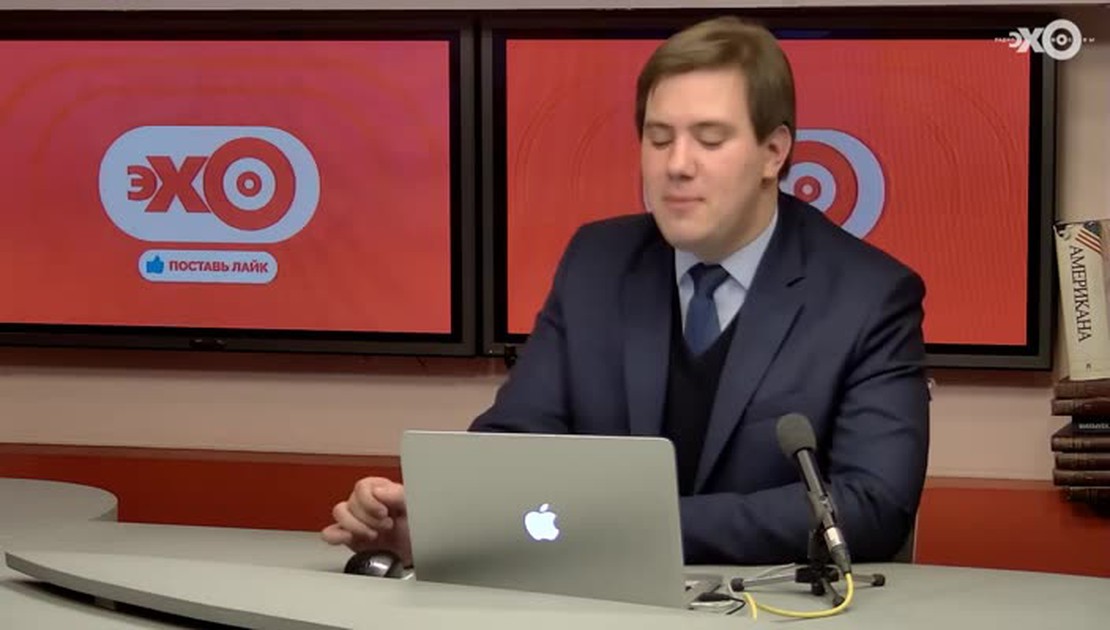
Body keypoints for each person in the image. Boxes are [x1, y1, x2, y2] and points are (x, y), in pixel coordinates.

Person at [322, 16, 929, 567]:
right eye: (659, 138)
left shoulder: (869, 296)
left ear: (774, 152)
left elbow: (870, 506)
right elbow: (514, 443)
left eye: (709, 139)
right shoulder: (598, 263)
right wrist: (438, 515)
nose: (677, 165)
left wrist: (628, 527)